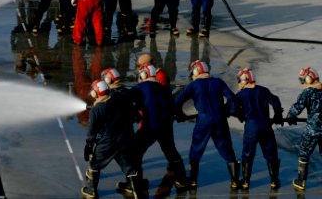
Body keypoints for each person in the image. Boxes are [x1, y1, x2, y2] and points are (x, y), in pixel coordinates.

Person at [117, 64, 186, 195]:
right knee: (171, 152)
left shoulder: (141, 87)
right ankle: (181, 179)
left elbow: (125, 100)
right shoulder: (164, 89)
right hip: (166, 127)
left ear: (144, 74)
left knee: (134, 153)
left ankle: (136, 185)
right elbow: (174, 106)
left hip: (151, 127)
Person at [175, 60, 239, 189]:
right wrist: (229, 111)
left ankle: (193, 181)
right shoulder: (218, 82)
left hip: (204, 120)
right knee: (226, 148)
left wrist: (180, 115)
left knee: (196, 149)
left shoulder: (193, 85)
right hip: (220, 119)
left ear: (196, 71)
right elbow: (232, 98)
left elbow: (176, 102)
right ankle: (234, 181)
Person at [81, 80, 143, 198]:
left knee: (94, 165)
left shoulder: (96, 109)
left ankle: (91, 191)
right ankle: (135, 190)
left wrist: (89, 146)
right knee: (129, 166)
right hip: (124, 139)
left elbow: (92, 132)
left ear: (96, 93)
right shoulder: (118, 101)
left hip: (107, 142)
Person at [235, 68, 283, 190]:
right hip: (265, 126)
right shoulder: (263, 91)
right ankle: (274, 181)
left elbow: (231, 107)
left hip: (251, 127)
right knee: (270, 152)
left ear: (245, 80)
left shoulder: (241, 94)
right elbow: (276, 100)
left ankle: (245, 182)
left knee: (248, 153)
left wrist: (241, 115)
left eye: (240, 79)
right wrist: (278, 115)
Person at [285, 67, 322, 191]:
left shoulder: (307, 93)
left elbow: (297, 107)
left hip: (313, 129)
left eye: (303, 80)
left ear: (309, 78)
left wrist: (290, 117)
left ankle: (301, 181)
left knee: (304, 153)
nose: (303, 83)